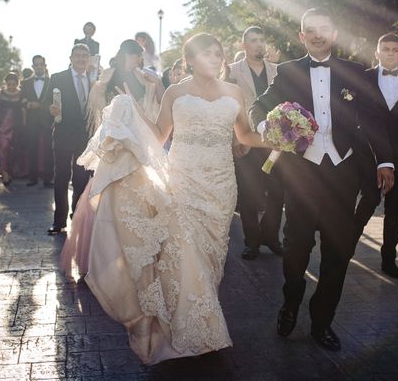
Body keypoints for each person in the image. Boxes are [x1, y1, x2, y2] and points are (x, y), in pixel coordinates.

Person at [84, 33, 266, 364]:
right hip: (183, 183)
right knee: (185, 255)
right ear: (190, 60)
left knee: (211, 259)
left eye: (218, 53)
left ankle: (196, 321)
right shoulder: (176, 92)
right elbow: (158, 136)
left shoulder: (235, 92)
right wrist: (132, 112)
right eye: (206, 54)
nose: (214, 58)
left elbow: (245, 138)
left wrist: (281, 138)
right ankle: (197, 333)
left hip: (222, 187)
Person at [250, 8, 394, 351]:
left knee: (338, 252)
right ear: (301, 37)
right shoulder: (287, 71)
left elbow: (375, 119)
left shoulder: (356, 73)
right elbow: (259, 107)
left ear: (334, 33)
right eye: (310, 30)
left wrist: (385, 160)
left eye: (324, 29)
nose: (317, 35)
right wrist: (266, 129)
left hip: (344, 172)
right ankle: (291, 302)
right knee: (296, 248)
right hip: (301, 172)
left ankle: (322, 321)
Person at [60, 39, 162, 276]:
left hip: (137, 141)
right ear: (129, 54)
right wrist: (102, 93)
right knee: (107, 194)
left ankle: (136, 253)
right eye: (137, 55)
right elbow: (96, 107)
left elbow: (152, 106)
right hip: (115, 140)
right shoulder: (109, 75)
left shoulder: (142, 77)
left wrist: (151, 87)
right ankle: (104, 259)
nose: (139, 60)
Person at [354, 32, 398, 278]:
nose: (390, 53)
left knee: (394, 209)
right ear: (377, 52)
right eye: (386, 49)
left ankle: (388, 259)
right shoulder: (363, 78)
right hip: (370, 150)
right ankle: (348, 244)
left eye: (395, 49)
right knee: (371, 198)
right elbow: (358, 115)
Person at [229, 26, 284, 260]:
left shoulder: (279, 71)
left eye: (262, 40)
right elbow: (226, 109)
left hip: (276, 143)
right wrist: (235, 140)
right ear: (244, 46)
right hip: (247, 141)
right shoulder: (231, 72)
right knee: (249, 194)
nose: (259, 44)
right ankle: (251, 242)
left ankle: (271, 237)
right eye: (253, 40)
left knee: (277, 192)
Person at [45, 44, 92, 235]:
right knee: (62, 178)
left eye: (84, 56)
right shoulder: (58, 78)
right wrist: (50, 110)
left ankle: (77, 216)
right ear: (71, 58)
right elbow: (45, 106)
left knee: (81, 178)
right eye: (77, 56)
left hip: (85, 137)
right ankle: (59, 222)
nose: (81, 59)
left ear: (89, 59)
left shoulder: (95, 79)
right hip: (64, 135)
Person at [20, 55, 53, 187]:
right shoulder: (25, 83)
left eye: (41, 65)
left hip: (48, 121)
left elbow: (54, 101)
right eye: (36, 65)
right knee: (32, 149)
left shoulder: (52, 82)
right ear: (33, 67)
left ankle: (48, 178)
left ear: (45, 66)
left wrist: (40, 106)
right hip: (32, 121)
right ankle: (32, 177)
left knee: (49, 150)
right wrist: (28, 104)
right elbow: (21, 101)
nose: (39, 67)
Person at [0, 72, 23, 186]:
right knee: (2, 148)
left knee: (12, 151)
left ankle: (8, 170)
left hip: (16, 126)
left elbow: (24, 111)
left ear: (18, 83)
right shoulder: (0, 93)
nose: (11, 87)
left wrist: (25, 124)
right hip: (1, 126)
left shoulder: (22, 94)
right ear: (5, 83)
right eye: (9, 84)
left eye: (14, 84)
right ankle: (5, 174)